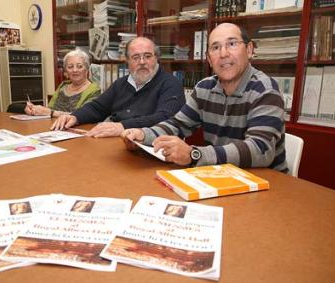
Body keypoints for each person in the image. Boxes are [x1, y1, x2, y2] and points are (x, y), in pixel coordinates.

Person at [123, 23, 288, 173]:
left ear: (250, 50)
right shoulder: (204, 88)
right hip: (221, 177)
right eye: (215, 47)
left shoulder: (266, 90)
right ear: (209, 59)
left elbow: (260, 150)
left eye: (232, 44)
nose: (223, 53)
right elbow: (178, 125)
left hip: (266, 184)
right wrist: (143, 135)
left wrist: (194, 154)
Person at [50, 37, 185, 138]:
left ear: (157, 58)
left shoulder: (171, 84)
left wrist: (122, 126)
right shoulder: (121, 83)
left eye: (148, 56)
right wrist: (75, 117)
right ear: (127, 62)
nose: (142, 62)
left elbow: (165, 118)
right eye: (136, 57)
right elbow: (98, 107)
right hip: (117, 143)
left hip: (152, 149)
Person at [25, 48, 101, 118]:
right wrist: (34, 109)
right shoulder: (63, 86)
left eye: (79, 66)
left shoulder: (94, 90)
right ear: (66, 71)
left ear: (86, 69)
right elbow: (49, 109)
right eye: (70, 67)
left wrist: (51, 113)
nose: (75, 70)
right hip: (54, 128)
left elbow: (83, 116)